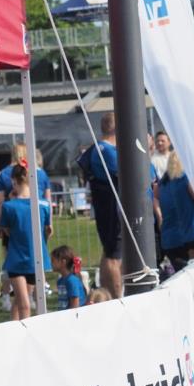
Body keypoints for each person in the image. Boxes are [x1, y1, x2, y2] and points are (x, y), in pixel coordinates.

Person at [77, 113, 122, 298]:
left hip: (107, 207)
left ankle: (106, 294)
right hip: (110, 208)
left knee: (109, 252)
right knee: (113, 255)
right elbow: (123, 174)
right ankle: (118, 296)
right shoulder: (107, 151)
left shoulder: (100, 149)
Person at [0, 164, 52, 320]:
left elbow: (6, 232)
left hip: (26, 258)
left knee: (22, 302)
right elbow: (48, 231)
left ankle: (17, 331)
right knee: (25, 304)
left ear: (14, 181)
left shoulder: (10, 206)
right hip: (24, 260)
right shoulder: (42, 204)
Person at [156, 151, 194, 272]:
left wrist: (159, 217)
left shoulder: (164, 183)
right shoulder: (186, 178)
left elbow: (157, 199)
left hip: (176, 236)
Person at [51, 245, 86, 310]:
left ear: (63, 262)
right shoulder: (60, 281)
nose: (51, 263)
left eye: (53, 261)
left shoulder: (71, 280)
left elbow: (75, 304)